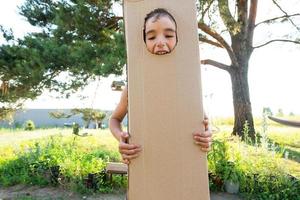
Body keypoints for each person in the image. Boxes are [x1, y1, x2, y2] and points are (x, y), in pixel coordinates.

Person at [109, 8, 212, 165]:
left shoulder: (189, 83)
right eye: (151, 37)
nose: (160, 42)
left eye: (169, 35)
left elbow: (203, 121)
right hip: (146, 163)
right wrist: (120, 137)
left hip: (182, 163)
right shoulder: (134, 87)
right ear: (144, 41)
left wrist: (207, 134)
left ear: (178, 38)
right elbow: (115, 119)